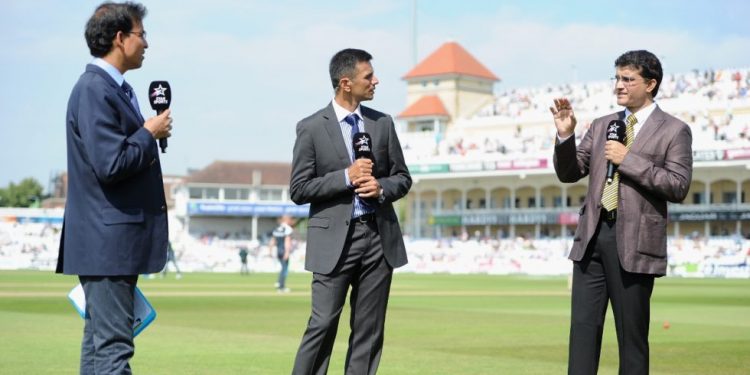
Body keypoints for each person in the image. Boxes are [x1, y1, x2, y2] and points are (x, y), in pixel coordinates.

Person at [551, 50, 693, 374]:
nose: (619, 85)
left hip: (636, 243)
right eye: (616, 78)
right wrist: (565, 135)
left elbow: (678, 185)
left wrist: (628, 160)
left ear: (651, 84)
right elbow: (570, 172)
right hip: (591, 240)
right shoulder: (603, 125)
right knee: (583, 333)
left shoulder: (674, 130)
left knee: (632, 340)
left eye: (628, 79)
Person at [55, 2, 173, 373]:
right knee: (113, 351)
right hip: (107, 244)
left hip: (109, 244)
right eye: (142, 35)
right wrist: (147, 132)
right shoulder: (95, 88)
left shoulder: (114, 89)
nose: (147, 44)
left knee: (98, 346)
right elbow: (111, 164)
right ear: (120, 38)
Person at [290, 48, 412, 374]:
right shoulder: (311, 127)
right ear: (346, 83)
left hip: (378, 238)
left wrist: (382, 187)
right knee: (323, 324)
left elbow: (403, 178)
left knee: (369, 331)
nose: (376, 81)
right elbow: (299, 189)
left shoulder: (382, 124)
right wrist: (346, 177)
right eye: (368, 76)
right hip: (334, 242)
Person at [268, 215, 294, 292]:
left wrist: (270, 251)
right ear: (287, 220)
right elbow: (287, 241)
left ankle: (279, 282)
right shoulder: (288, 229)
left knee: (282, 268)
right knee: (284, 269)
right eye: (291, 219)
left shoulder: (277, 229)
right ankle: (281, 286)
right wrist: (287, 252)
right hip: (283, 251)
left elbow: (272, 241)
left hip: (278, 251)